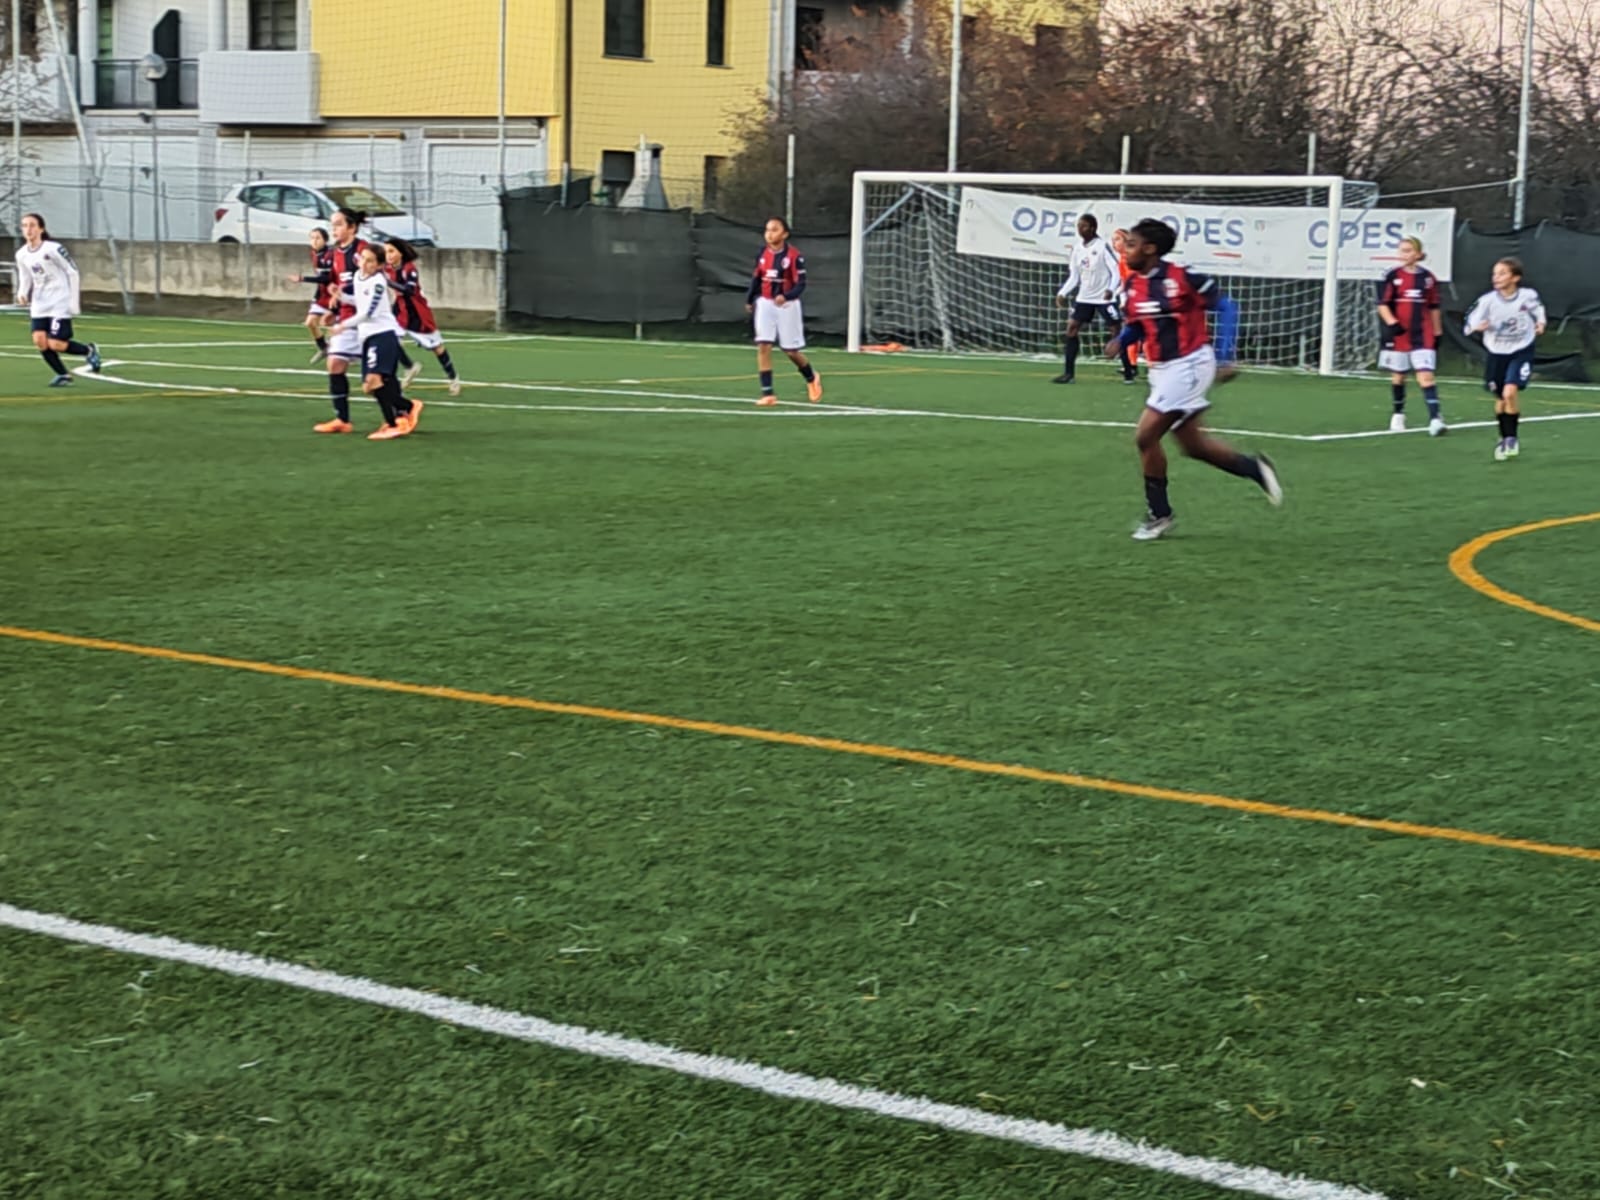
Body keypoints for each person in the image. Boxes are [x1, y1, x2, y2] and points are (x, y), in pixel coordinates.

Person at [1107, 218, 1282, 542]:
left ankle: (1160, 515)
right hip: (1160, 370)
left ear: (1150, 249)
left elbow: (1227, 308)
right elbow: (1140, 324)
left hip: (1190, 364)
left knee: (1145, 436)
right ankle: (1255, 468)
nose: (1124, 250)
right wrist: (1122, 339)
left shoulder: (1182, 277)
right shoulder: (1131, 285)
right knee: (1194, 446)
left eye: (1130, 244)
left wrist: (1226, 356)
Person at [326, 244, 421, 441]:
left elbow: (368, 312)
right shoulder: (358, 276)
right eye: (363, 259)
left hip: (383, 334)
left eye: (370, 261)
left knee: (374, 380)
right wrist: (341, 295)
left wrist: (343, 325)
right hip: (368, 337)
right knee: (369, 387)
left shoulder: (378, 282)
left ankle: (395, 422)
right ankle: (406, 408)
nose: (364, 264)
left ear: (379, 266)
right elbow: (360, 302)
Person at [1464, 257, 1546, 461]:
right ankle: (1504, 436)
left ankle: (1511, 439)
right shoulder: (1487, 301)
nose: (1496, 277)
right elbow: (1469, 322)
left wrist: (1541, 323)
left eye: (1502, 273)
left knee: (1510, 393)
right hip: (1496, 353)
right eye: (1495, 274)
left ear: (1515, 277)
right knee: (1501, 399)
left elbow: (1538, 310)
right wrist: (1476, 327)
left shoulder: (1527, 296)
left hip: (1521, 350)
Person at [14, 212, 101, 387]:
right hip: (40, 303)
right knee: (39, 340)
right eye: (24, 226)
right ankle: (63, 375)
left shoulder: (53, 249)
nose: (28, 229)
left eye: (32, 225)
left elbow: (72, 272)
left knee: (56, 344)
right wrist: (22, 292)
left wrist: (74, 302)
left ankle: (89, 350)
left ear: (41, 229)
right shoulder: (21, 254)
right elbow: (26, 276)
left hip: (59, 301)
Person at [745, 216, 822, 407]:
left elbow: (801, 284)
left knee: (790, 351)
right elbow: (757, 278)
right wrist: (750, 299)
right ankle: (768, 393)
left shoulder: (794, 256)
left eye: (774, 230)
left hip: (787, 306)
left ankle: (811, 377)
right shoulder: (762, 253)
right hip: (765, 303)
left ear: (785, 234)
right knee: (763, 345)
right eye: (767, 230)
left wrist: (786, 296)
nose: (769, 234)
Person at [1053, 214, 1135, 385]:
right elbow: (1074, 276)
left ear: (1092, 228)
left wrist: (1110, 289)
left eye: (1083, 226)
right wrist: (1063, 293)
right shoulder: (1077, 249)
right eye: (1078, 226)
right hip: (1085, 297)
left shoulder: (1103, 246)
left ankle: (1129, 371)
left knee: (1117, 332)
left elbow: (1116, 271)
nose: (1080, 229)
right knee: (1071, 329)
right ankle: (1069, 374)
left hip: (1104, 298)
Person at [1377, 236, 1445, 435]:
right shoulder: (1392, 276)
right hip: (1399, 335)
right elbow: (1382, 305)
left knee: (1426, 376)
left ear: (1418, 253)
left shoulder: (1428, 278)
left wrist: (1437, 331)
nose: (1405, 254)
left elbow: (1434, 307)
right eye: (1402, 250)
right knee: (1399, 376)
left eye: (1409, 250)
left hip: (1422, 334)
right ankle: (1398, 414)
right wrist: (1392, 323)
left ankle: (1435, 419)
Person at [384, 237, 462, 396]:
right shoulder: (387, 268)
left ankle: (453, 378)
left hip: (417, 313)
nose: (388, 255)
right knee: (389, 339)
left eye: (391, 251)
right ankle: (409, 367)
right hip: (399, 310)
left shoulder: (409, 269)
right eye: (386, 252)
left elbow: (409, 290)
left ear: (401, 253)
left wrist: (388, 282)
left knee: (436, 347)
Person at [289, 227, 336, 364]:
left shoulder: (330, 255)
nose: (314, 241)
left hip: (335, 293)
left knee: (331, 324)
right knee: (310, 322)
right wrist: (317, 296)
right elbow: (321, 279)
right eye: (312, 238)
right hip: (322, 294)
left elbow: (326, 278)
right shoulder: (314, 254)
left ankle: (343, 352)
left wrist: (302, 279)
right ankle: (324, 349)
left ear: (325, 240)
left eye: (318, 238)